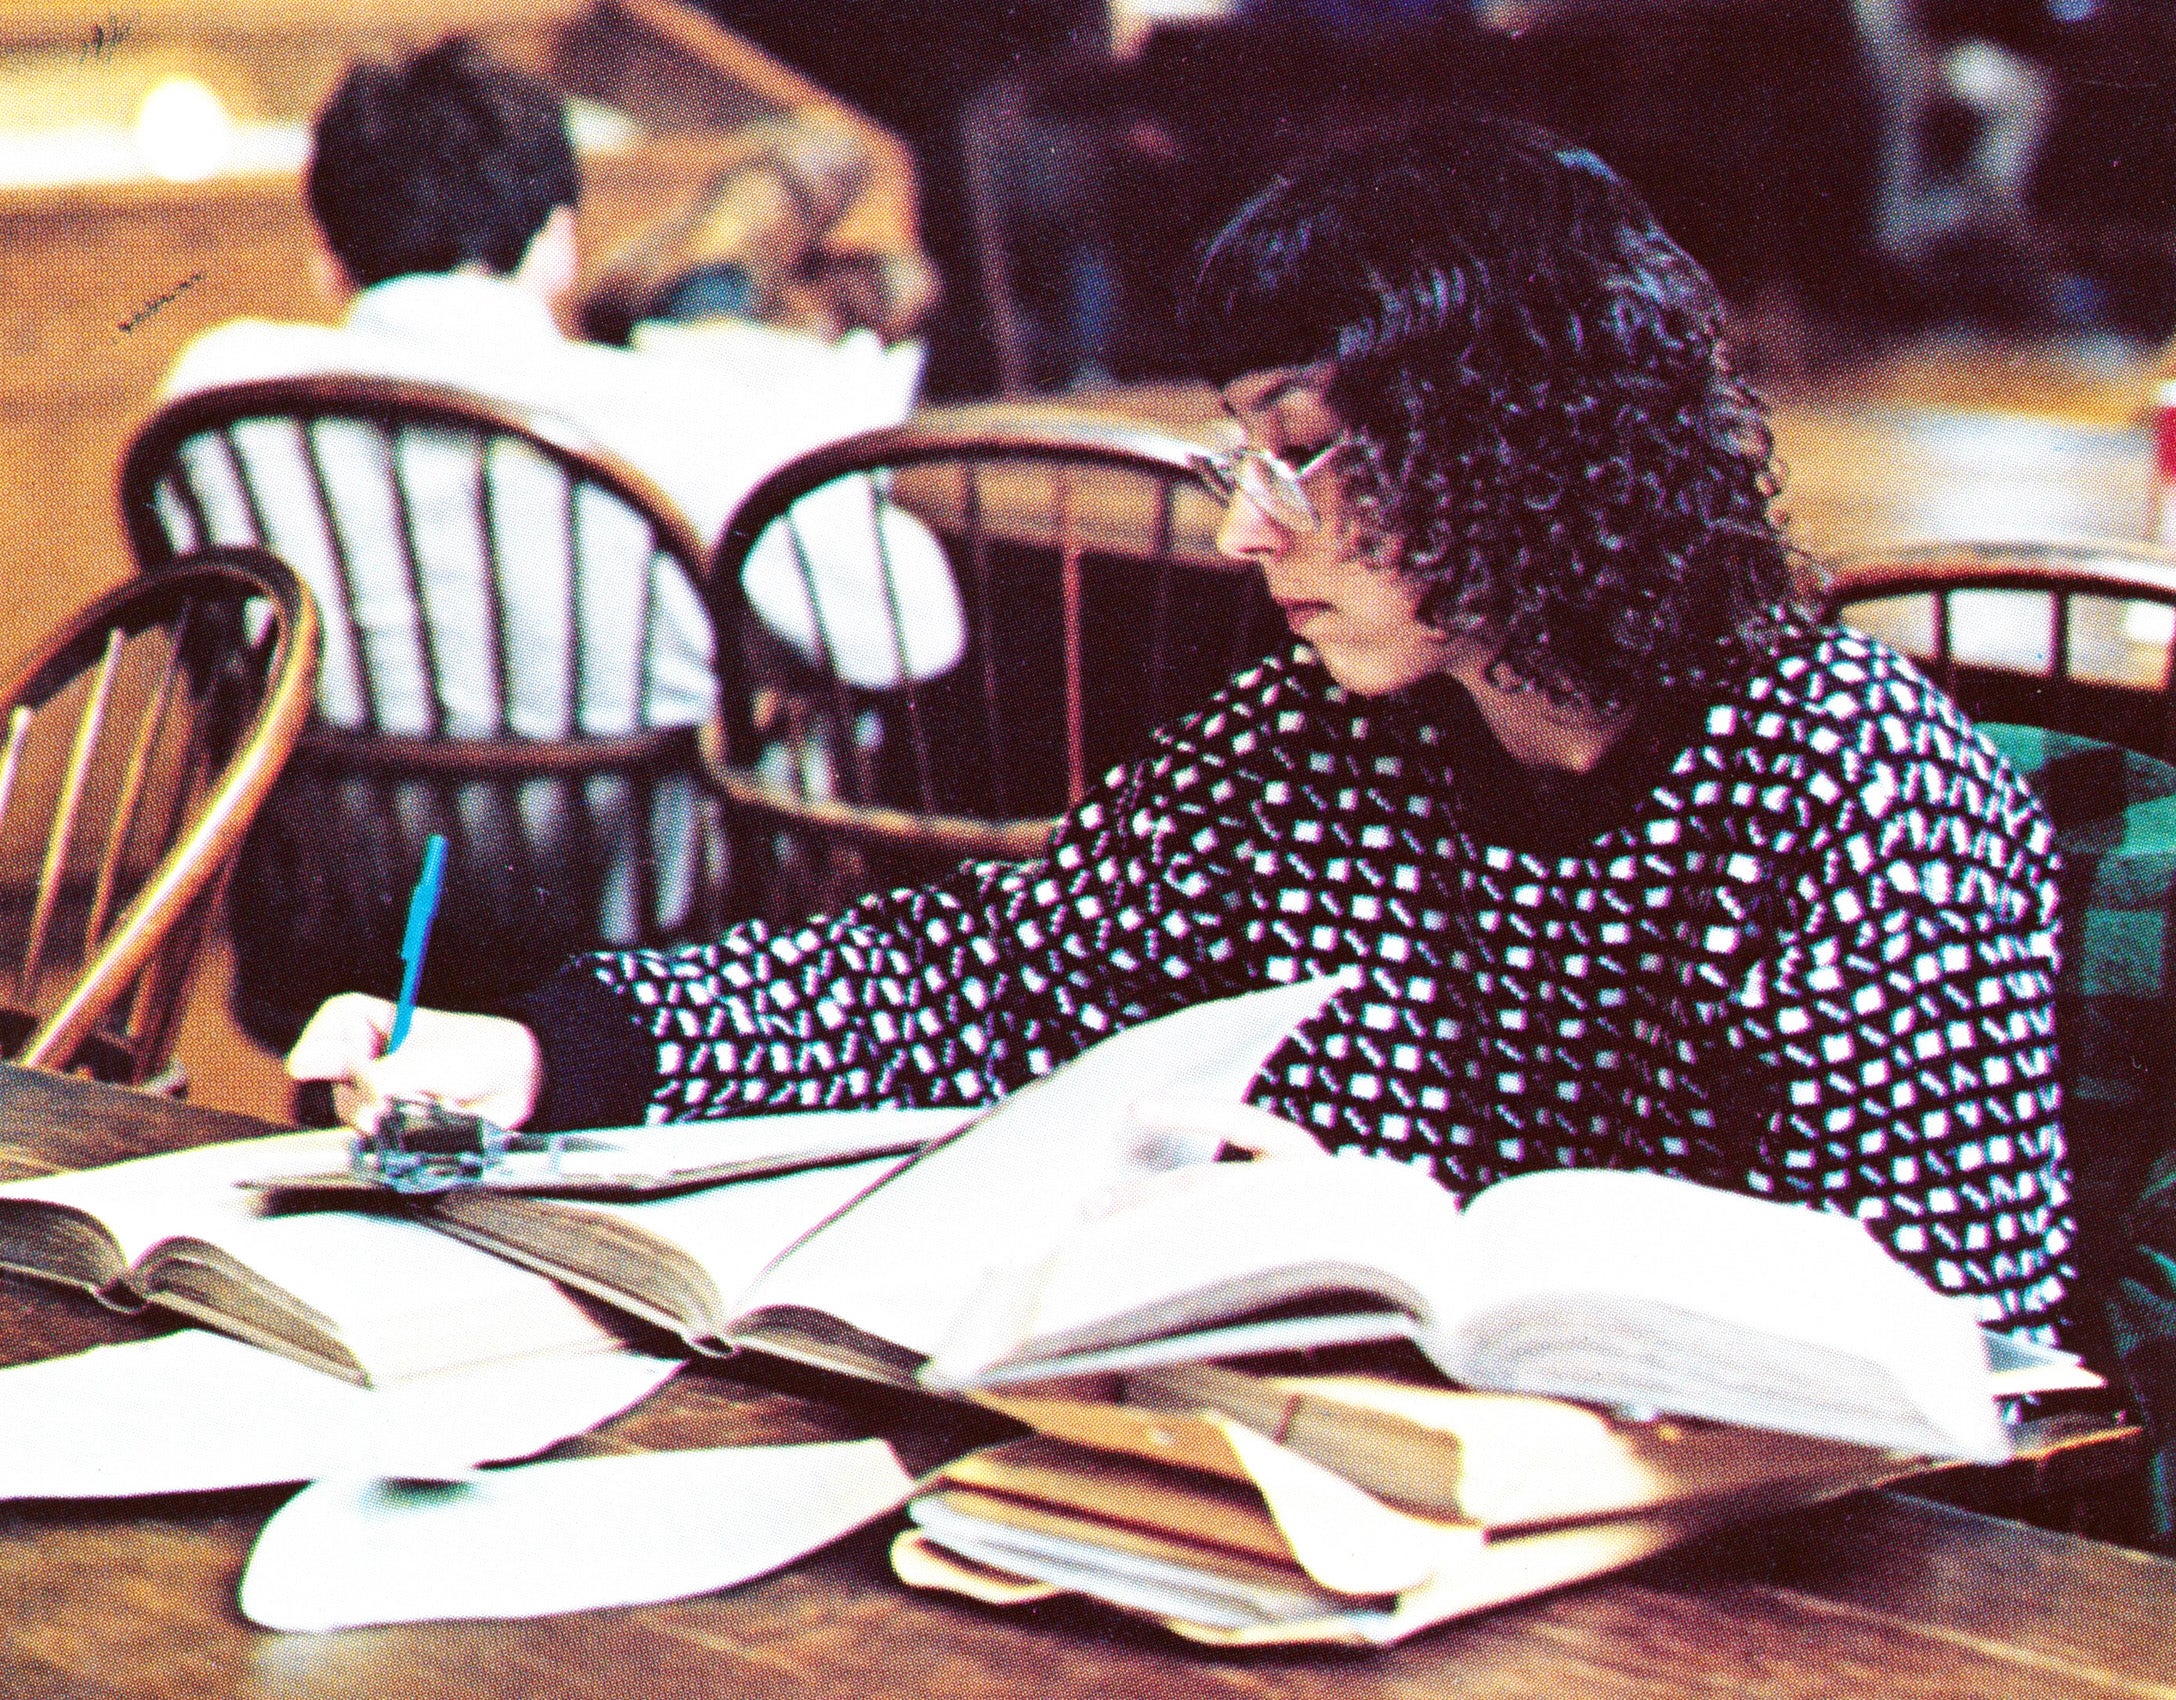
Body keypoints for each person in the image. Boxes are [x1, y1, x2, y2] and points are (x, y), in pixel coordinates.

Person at [291, 114, 2073, 1340]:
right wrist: (551, 1053)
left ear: (1513, 437)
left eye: (1303, 458)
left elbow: (1944, 1315)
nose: (1241, 531)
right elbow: (980, 982)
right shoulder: (1315, 739)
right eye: (1247, 458)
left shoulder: (1847, 780)